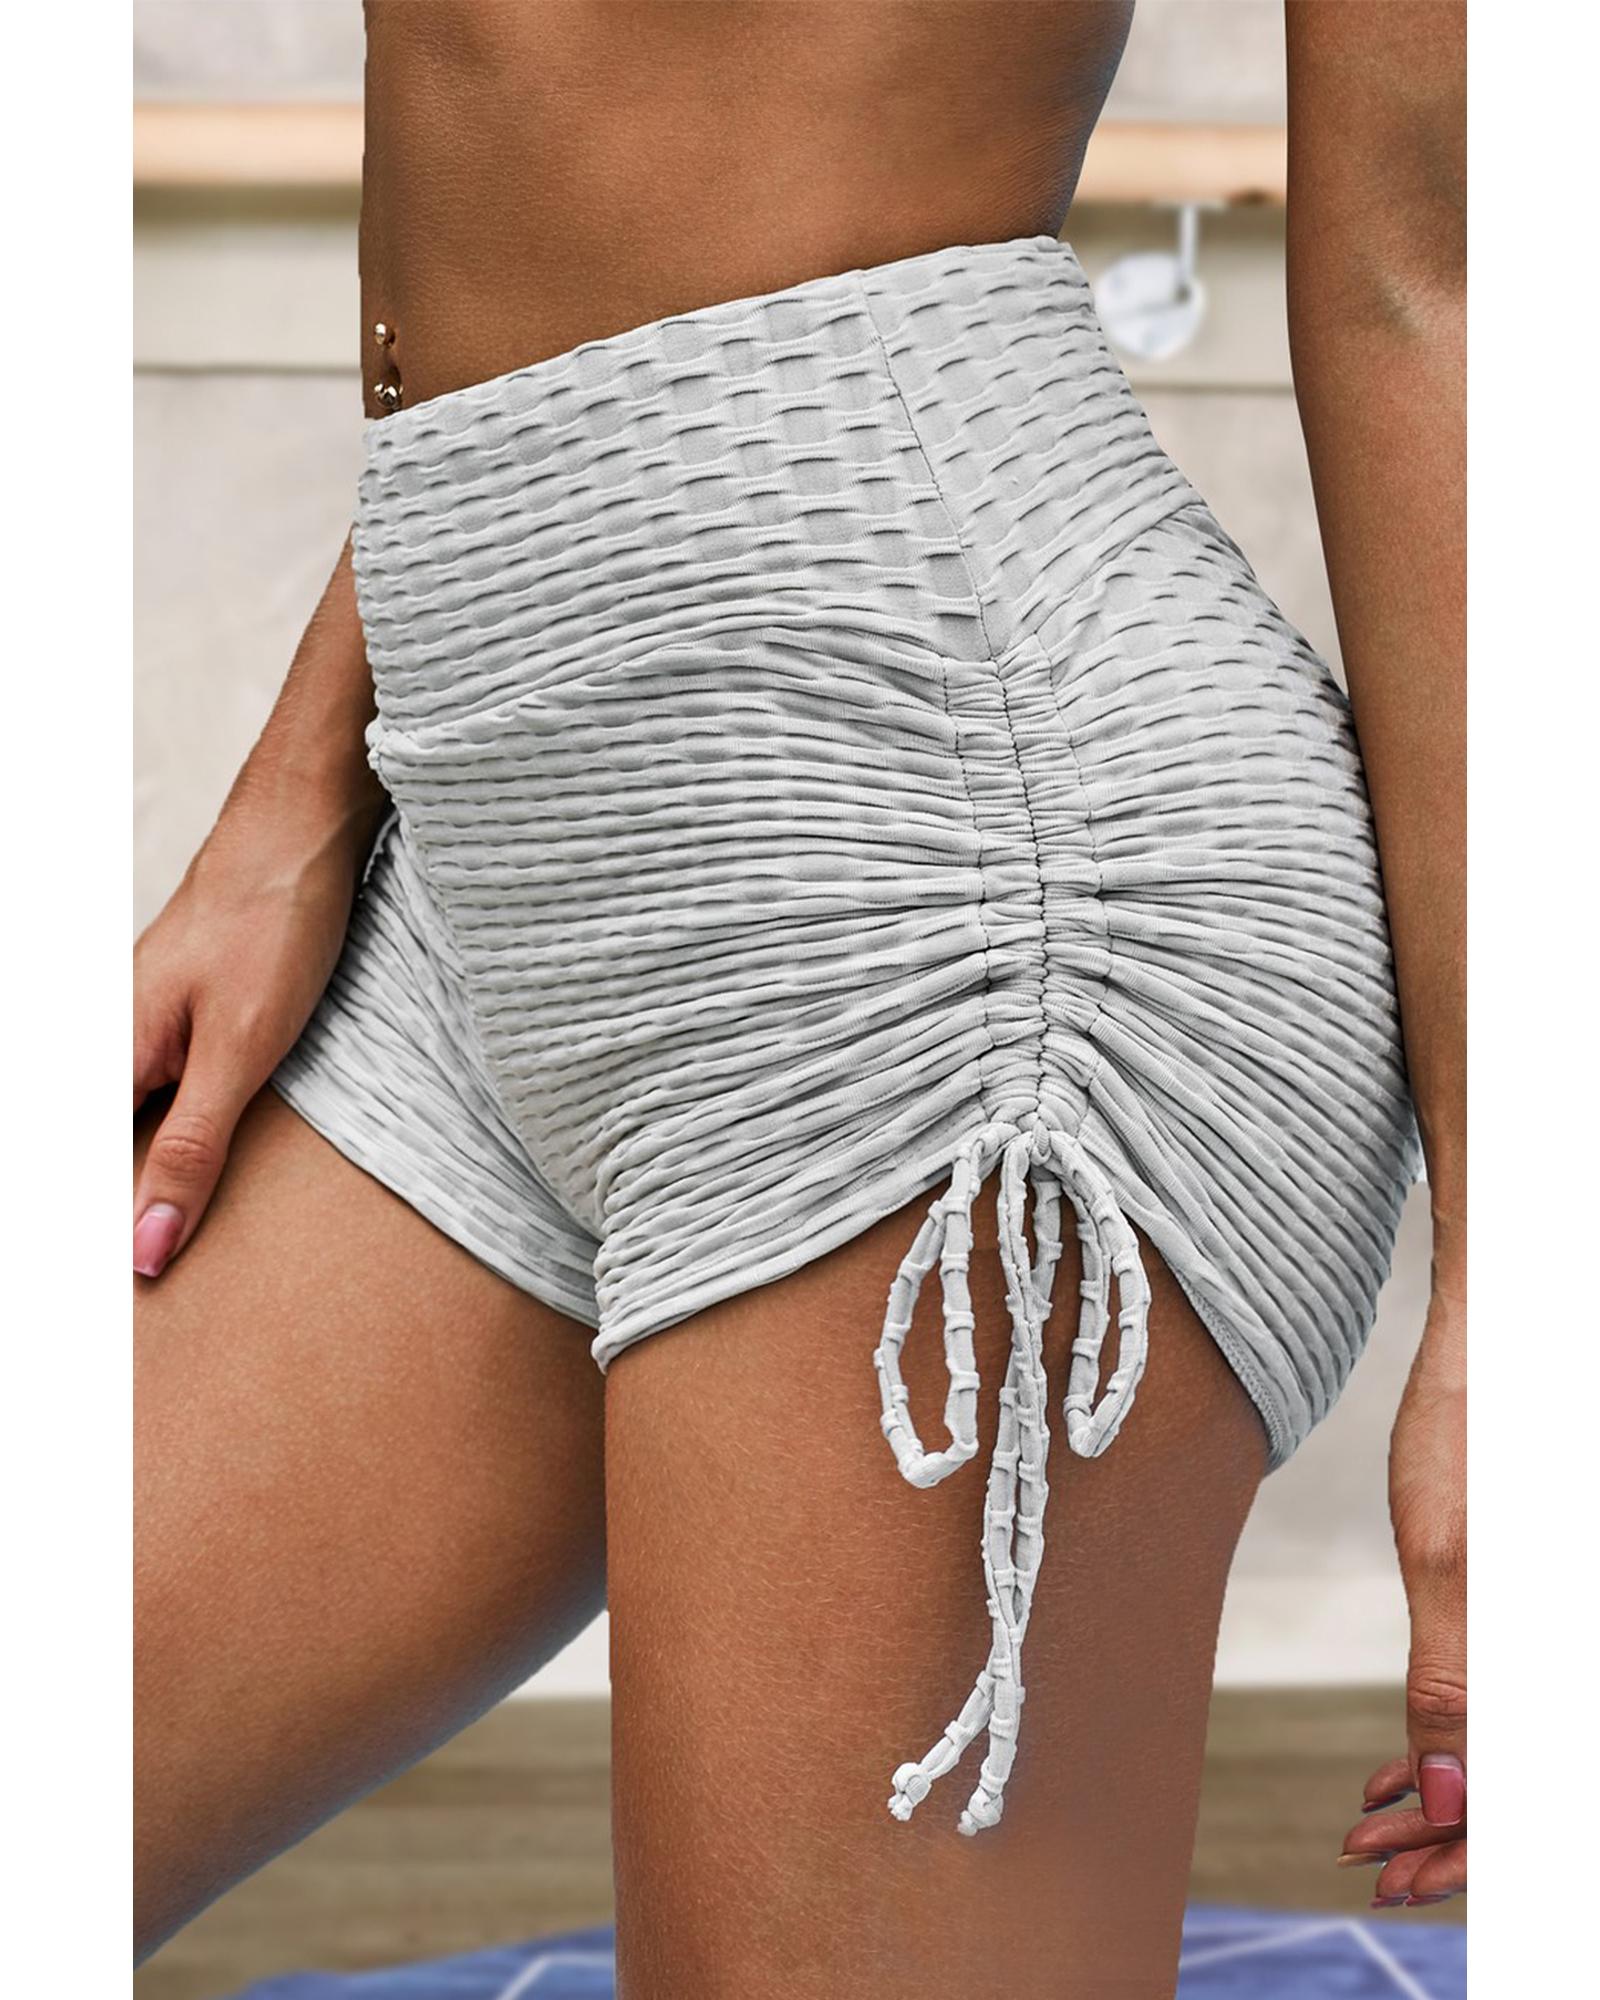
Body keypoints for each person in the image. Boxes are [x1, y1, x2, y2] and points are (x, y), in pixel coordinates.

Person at [132, 3, 1466, 1992]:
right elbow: (551, 163)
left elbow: (1429, 270)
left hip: (956, 907)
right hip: (495, 839)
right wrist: (294, 798)